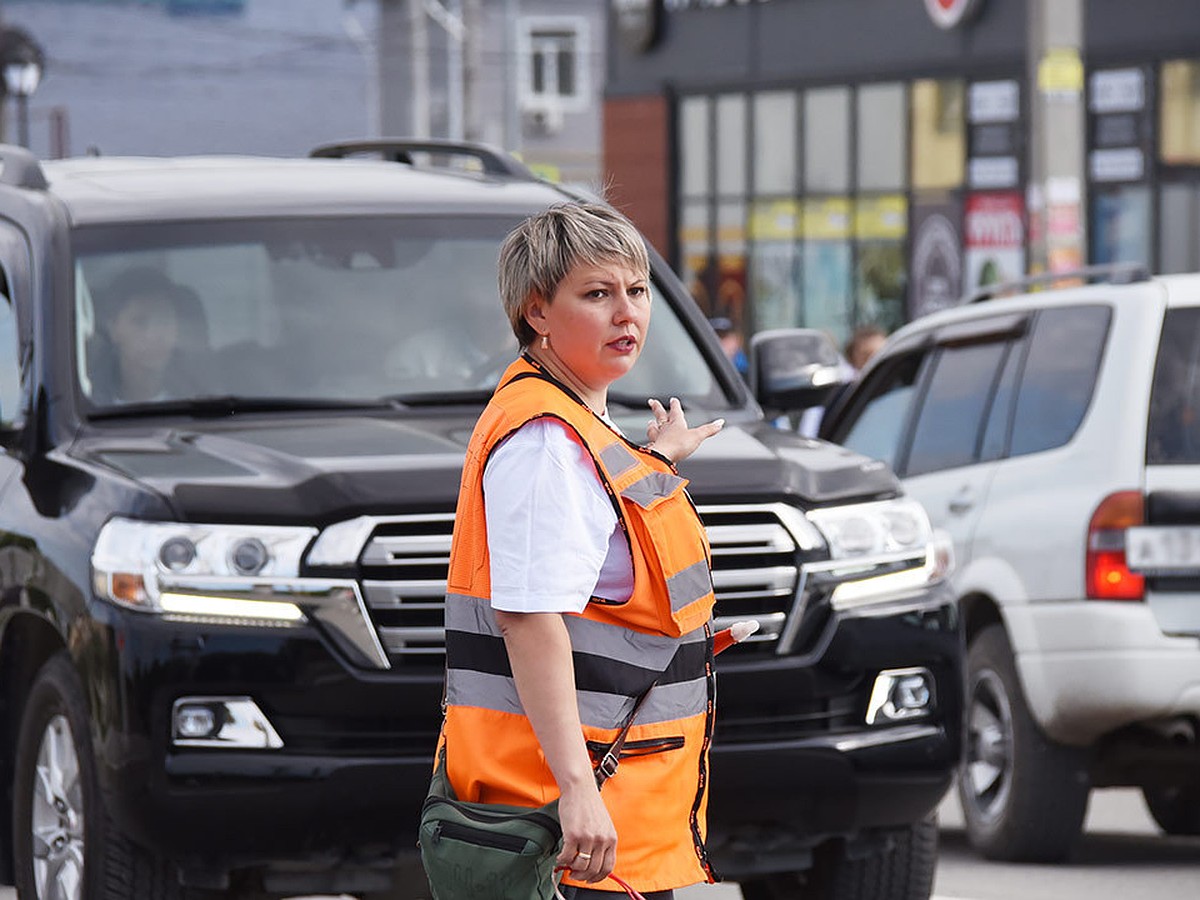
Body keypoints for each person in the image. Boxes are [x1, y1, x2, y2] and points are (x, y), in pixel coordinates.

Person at [436, 202, 726, 899]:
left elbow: (597, 545)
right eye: (597, 294)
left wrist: (656, 458)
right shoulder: (544, 441)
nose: (626, 313)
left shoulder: (573, 422)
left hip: (602, 810)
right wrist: (575, 791)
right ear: (537, 313)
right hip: (566, 821)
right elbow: (529, 618)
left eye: (637, 289)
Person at [89, 266, 186, 404]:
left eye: (163, 320)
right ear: (113, 330)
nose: (153, 334)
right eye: (140, 322)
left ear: (177, 328)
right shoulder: (85, 407)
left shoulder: (205, 403)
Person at [797, 324, 888, 437]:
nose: (875, 361)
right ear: (853, 359)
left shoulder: (902, 390)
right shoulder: (839, 398)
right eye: (867, 356)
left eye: (882, 354)